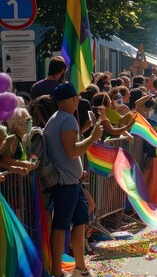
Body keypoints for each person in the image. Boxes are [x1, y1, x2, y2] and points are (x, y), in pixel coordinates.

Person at [46, 83, 103, 277]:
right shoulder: (67, 120)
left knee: (80, 220)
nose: (78, 100)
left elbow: (67, 152)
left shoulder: (56, 119)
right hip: (65, 183)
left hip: (72, 181)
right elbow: (72, 151)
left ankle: (80, 266)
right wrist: (94, 137)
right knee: (61, 225)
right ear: (72, 99)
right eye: (77, 97)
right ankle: (57, 271)